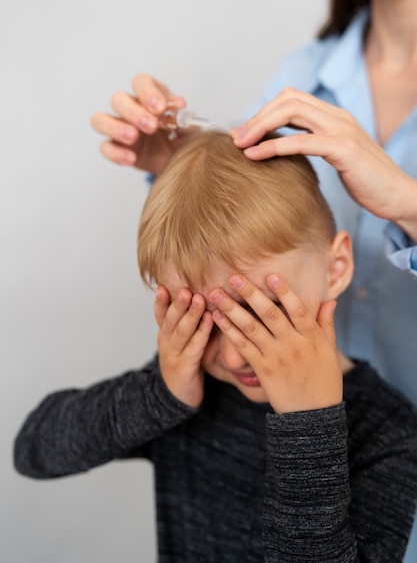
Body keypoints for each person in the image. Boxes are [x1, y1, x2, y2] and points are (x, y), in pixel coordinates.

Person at [14, 132, 417, 562]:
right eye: (201, 323)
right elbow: (34, 450)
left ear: (335, 268)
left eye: (260, 315)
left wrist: (308, 427)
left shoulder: (388, 433)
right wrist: (161, 395)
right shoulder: (186, 389)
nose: (232, 356)